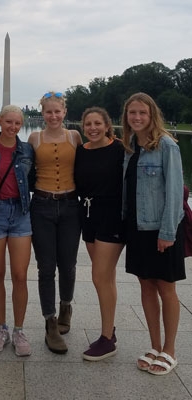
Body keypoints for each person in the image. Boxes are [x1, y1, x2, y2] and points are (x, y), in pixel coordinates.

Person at [121, 92, 185, 375]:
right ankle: (154, 345)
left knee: (166, 288)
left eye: (142, 113)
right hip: (138, 228)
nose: (136, 117)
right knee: (146, 286)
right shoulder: (131, 147)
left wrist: (168, 231)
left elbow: (175, 193)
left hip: (161, 229)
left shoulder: (167, 146)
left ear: (151, 115)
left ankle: (170, 349)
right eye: (132, 113)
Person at [28, 91, 82, 354]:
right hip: (42, 205)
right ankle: (50, 321)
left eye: (57, 111)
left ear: (64, 112)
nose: (53, 116)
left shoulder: (74, 137)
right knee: (46, 267)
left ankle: (66, 307)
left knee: (68, 264)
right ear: (43, 114)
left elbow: (91, 163)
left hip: (71, 206)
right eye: (48, 112)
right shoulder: (34, 138)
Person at [0, 105, 34, 357]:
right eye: (8, 122)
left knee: (20, 275)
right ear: (0, 121)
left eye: (17, 123)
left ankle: (19, 329)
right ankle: (1, 328)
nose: (13, 127)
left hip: (21, 214)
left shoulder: (26, 150)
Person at [74, 107, 125, 361]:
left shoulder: (121, 149)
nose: (92, 128)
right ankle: (110, 331)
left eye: (97, 123)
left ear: (107, 125)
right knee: (106, 277)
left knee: (99, 276)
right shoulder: (80, 152)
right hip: (89, 214)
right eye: (88, 124)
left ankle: (107, 339)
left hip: (112, 215)